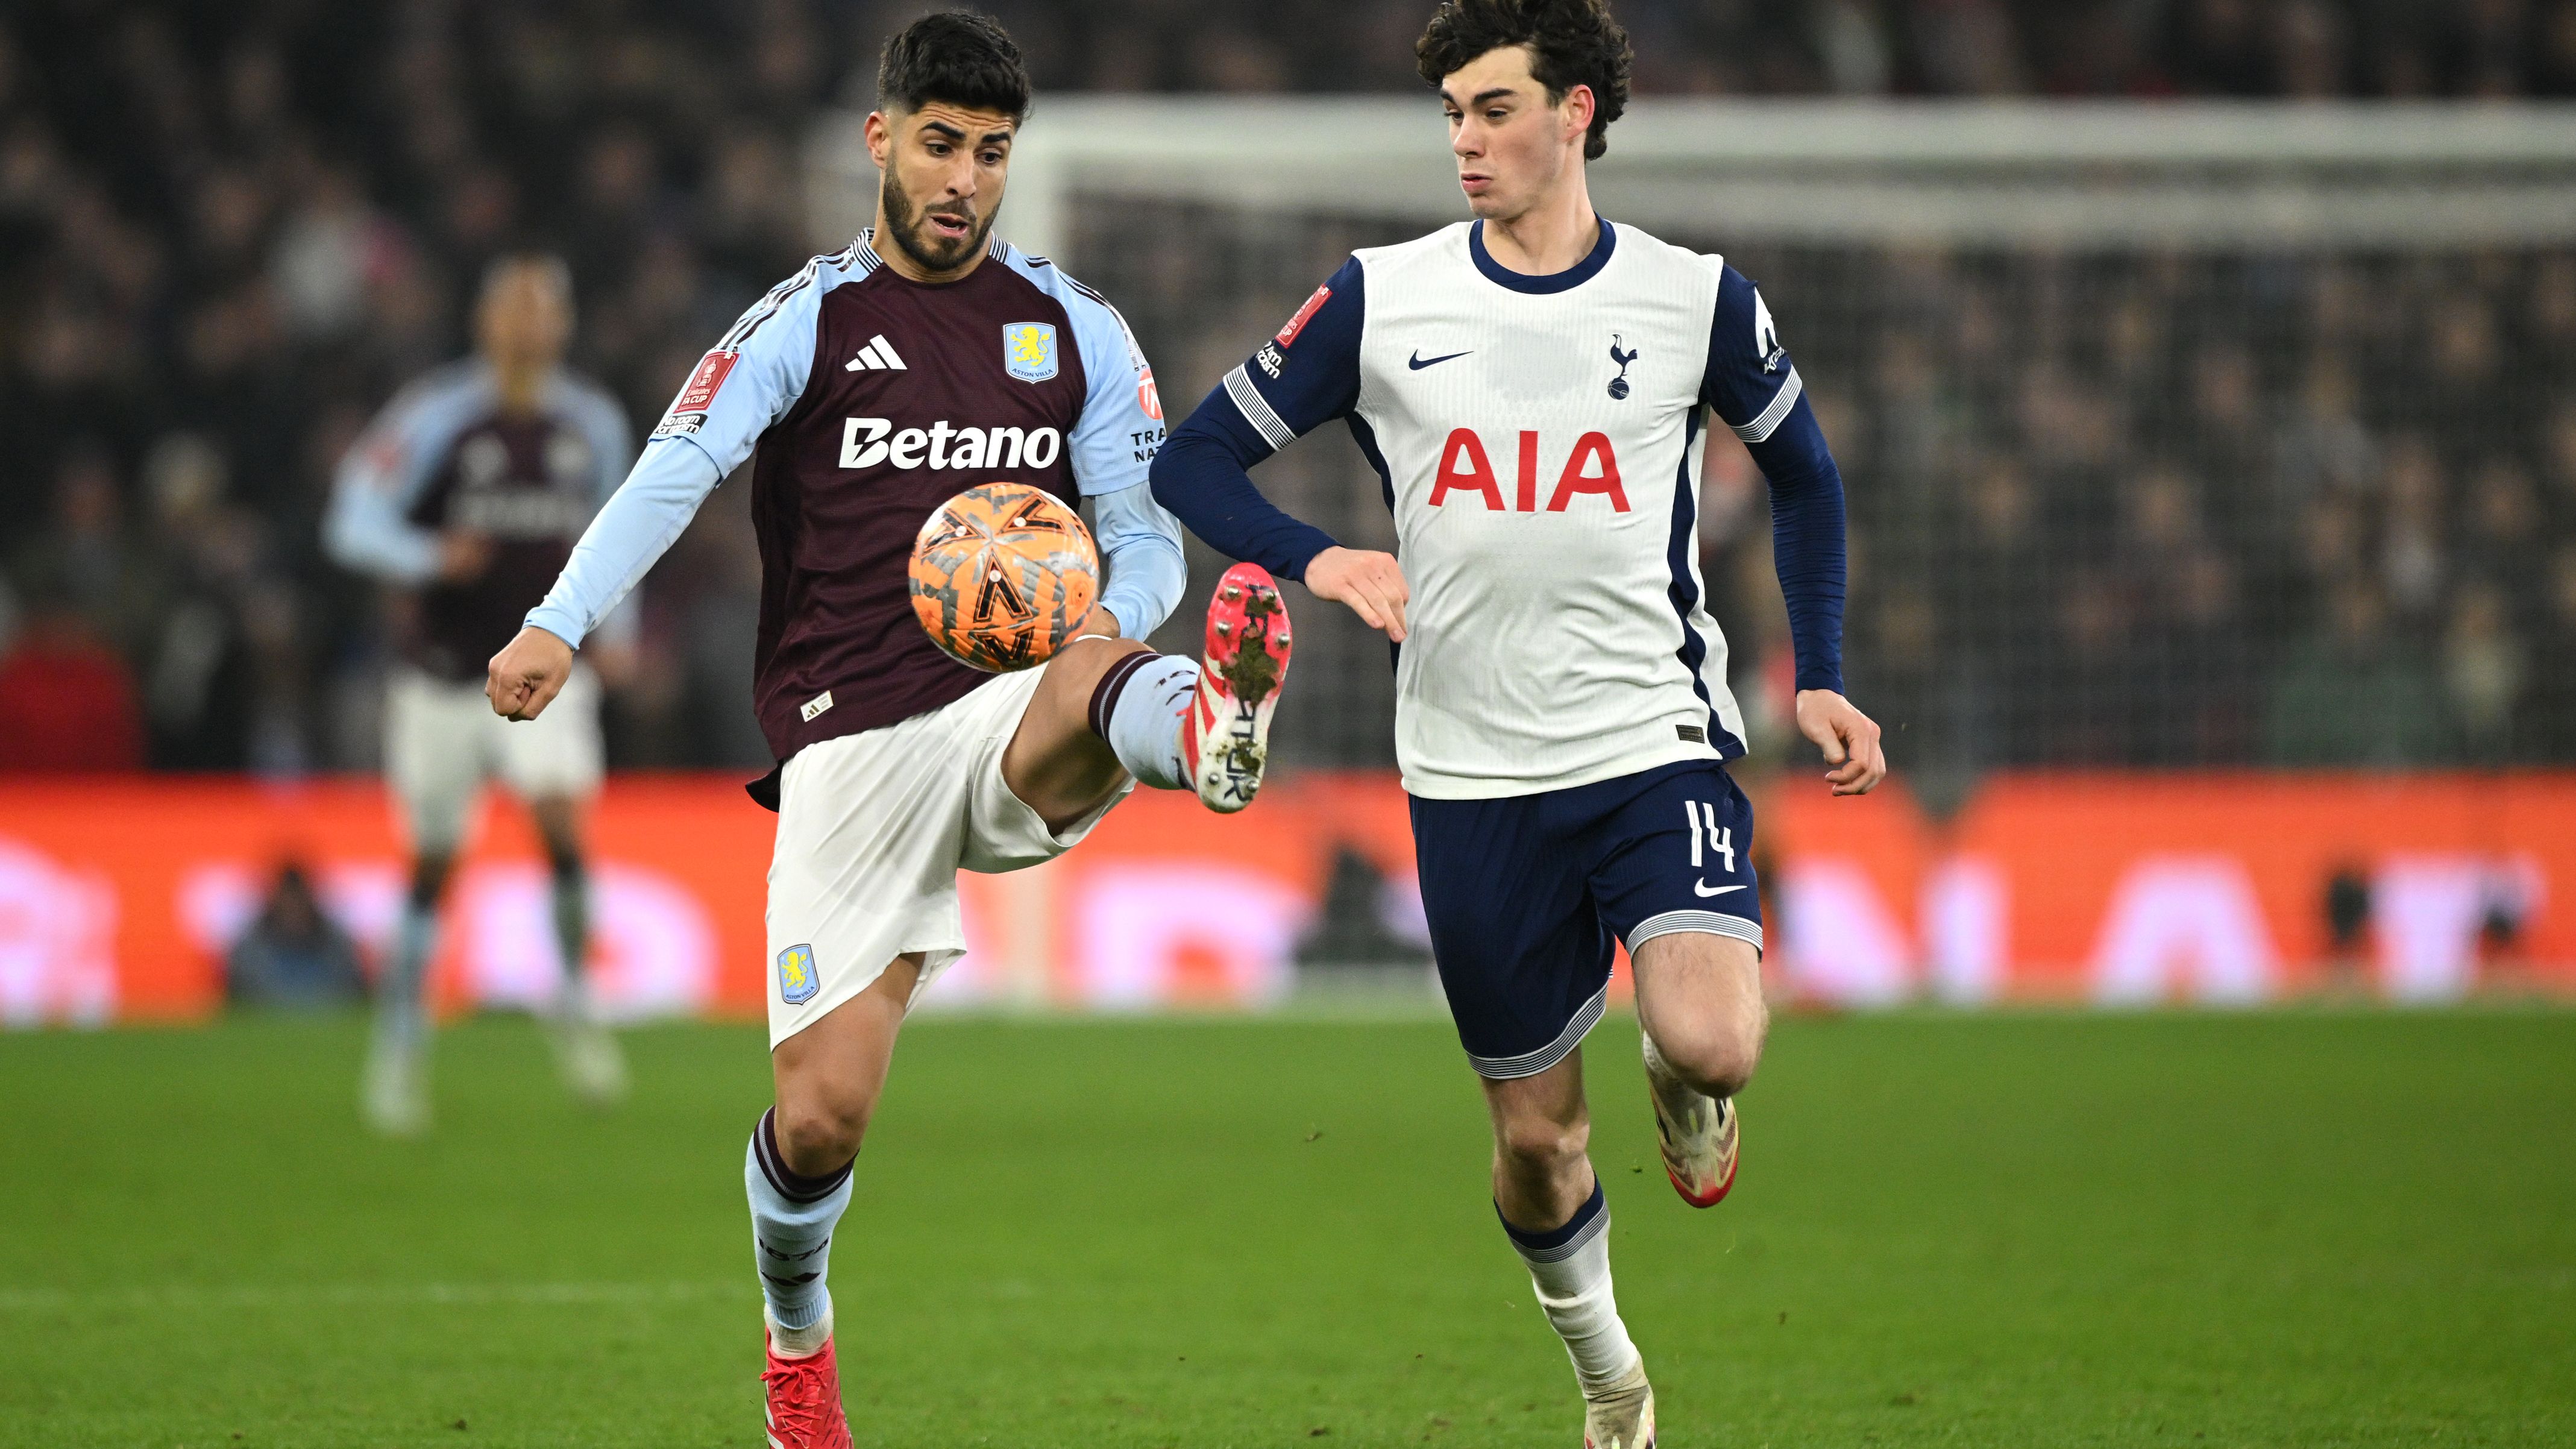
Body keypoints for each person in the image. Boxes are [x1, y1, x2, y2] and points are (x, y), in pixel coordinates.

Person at [480, 15, 1293, 1447]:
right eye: (938, 145)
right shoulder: (809, 316)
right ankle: (799, 1352)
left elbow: (1144, 534)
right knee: (822, 1121)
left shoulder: (1075, 328)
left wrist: (1120, 606)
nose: (963, 180)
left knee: (1098, 663)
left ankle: (1210, 719)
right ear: (880, 139)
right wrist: (562, 617)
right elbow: (679, 466)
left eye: (989, 154)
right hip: (844, 747)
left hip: (1005, 709)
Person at [1148, 2, 1885, 1443]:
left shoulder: (1695, 299)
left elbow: (1806, 475)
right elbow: (1192, 455)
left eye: (1493, 110)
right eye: (1451, 116)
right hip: (1469, 775)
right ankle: (1611, 1378)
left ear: (1578, 115)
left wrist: (1821, 670)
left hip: (1648, 735)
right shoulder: (1380, 296)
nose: (1465, 141)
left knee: (1715, 1036)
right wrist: (1323, 556)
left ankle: (1686, 1081)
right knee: (1539, 1148)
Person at [325, 255, 635, 1136]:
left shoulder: (593, 423)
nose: (529, 328)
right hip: (441, 677)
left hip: (542, 668)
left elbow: (626, 525)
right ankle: (399, 1045)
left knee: (562, 823)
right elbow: (351, 518)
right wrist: (427, 558)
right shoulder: (434, 416)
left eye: (544, 312)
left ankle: (575, 1000)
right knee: (432, 866)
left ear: (562, 327)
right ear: (485, 322)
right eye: (514, 311)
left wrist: (618, 629)